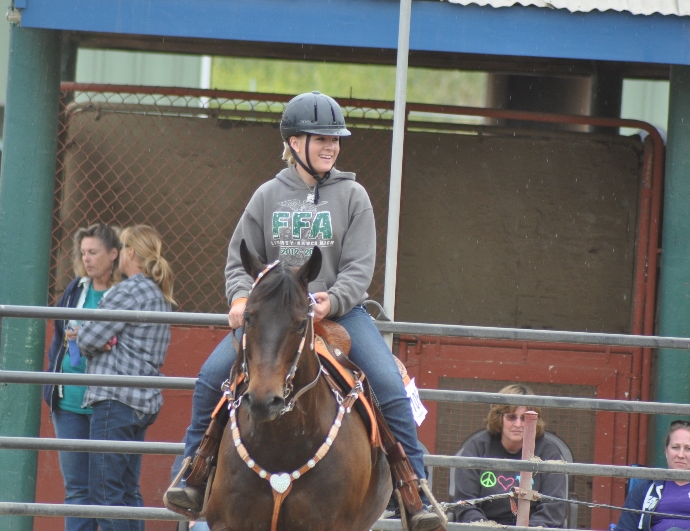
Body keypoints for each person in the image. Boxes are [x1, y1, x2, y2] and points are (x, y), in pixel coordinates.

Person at [164, 91, 442, 531]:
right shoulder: (267, 195)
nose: (331, 146)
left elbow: (359, 266)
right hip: (275, 316)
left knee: (388, 383)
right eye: (321, 138)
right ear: (294, 143)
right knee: (210, 376)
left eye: (335, 139)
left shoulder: (353, 196)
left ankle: (414, 490)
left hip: (340, 313)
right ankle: (193, 474)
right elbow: (240, 260)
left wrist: (333, 299)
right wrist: (240, 300)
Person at [77, 224, 176, 531]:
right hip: (142, 401)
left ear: (130, 253)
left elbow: (86, 338)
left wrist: (97, 339)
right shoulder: (158, 294)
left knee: (105, 494)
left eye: (122, 248)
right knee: (128, 491)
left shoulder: (129, 290)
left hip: (115, 399)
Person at [44, 223, 121, 531]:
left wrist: (91, 337)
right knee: (77, 490)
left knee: (110, 490)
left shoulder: (124, 293)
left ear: (113, 254)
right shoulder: (76, 288)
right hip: (69, 401)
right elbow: (58, 338)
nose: (87, 259)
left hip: (107, 402)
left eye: (94, 252)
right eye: (83, 252)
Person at [453, 384, 567, 527]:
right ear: (499, 417)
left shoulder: (548, 452)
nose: (518, 424)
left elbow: (553, 508)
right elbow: (466, 503)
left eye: (525, 418)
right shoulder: (477, 448)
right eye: (511, 417)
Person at [616, 420, 690, 531]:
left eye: (689, 449)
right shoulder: (645, 487)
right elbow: (625, 528)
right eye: (675, 447)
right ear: (666, 451)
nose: (680, 455)